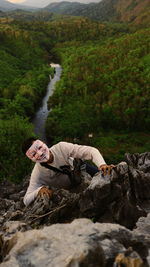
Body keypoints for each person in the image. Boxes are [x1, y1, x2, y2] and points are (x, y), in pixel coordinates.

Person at [22, 138, 115, 206]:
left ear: (44, 143)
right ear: (31, 159)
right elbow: (26, 199)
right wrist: (39, 190)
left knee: (109, 177)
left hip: (82, 171)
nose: (40, 153)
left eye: (39, 148)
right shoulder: (38, 173)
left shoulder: (61, 147)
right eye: (34, 154)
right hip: (71, 191)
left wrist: (102, 164)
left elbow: (91, 151)